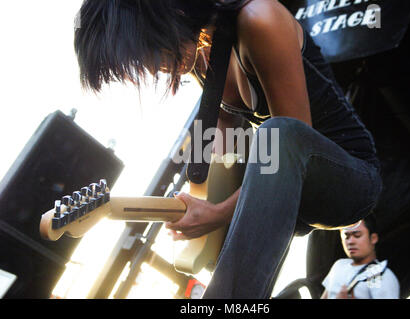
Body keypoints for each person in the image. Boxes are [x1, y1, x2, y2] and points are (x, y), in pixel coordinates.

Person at [74, 0, 383, 298]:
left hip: (349, 181)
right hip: (290, 192)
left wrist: (220, 212)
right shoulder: (202, 53)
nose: (153, 69)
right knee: (253, 158)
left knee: (278, 135)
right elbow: (222, 127)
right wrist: (196, 199)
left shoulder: (259, 18)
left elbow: (292, 149)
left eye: (147, 52)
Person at [321, 216, 400, 299]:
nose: (351, 241)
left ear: (373, 238)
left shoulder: (381, 275)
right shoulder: (339, 265)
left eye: (357, 235)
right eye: (346, 236)